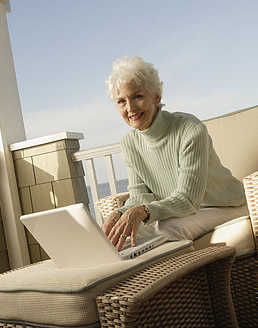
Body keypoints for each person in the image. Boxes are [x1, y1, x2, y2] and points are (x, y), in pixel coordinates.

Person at [102, 56, 246, 250]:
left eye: (137, 96)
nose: (130, 108)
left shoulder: (190, 129)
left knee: (168, 229)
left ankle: (183, 280)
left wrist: (143, 211)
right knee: (118, 233)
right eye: (121, 101)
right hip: (183, 211)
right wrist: (119, 214)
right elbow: (139, 196)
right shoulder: (129, 142)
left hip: (224, 206)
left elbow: (188, 199)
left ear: (156, 97)